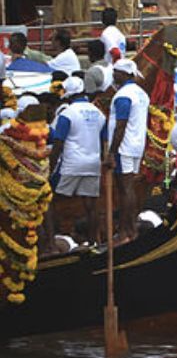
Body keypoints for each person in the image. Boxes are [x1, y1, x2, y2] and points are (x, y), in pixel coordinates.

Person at [49, 76, 106, 246]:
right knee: (91, 205)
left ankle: (51, 243)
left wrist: (50, 167)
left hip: (71, 164)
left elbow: (58, 144)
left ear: (68, 95)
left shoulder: (67, 114)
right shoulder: (99, 113)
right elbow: (104, 141)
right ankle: (93, 242)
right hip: (93, 163)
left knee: (50, 199)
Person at [105, 58, 149, 243]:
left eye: (115, 71)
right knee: (128, 188)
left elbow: (120, 126)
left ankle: (125, 232)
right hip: (136, 145)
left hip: (123, 147)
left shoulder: (124, 95)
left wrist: (111, 152)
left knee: (125, 189)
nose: (113, 75)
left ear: (123, 74)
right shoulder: (141, 93)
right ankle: (131, 230)